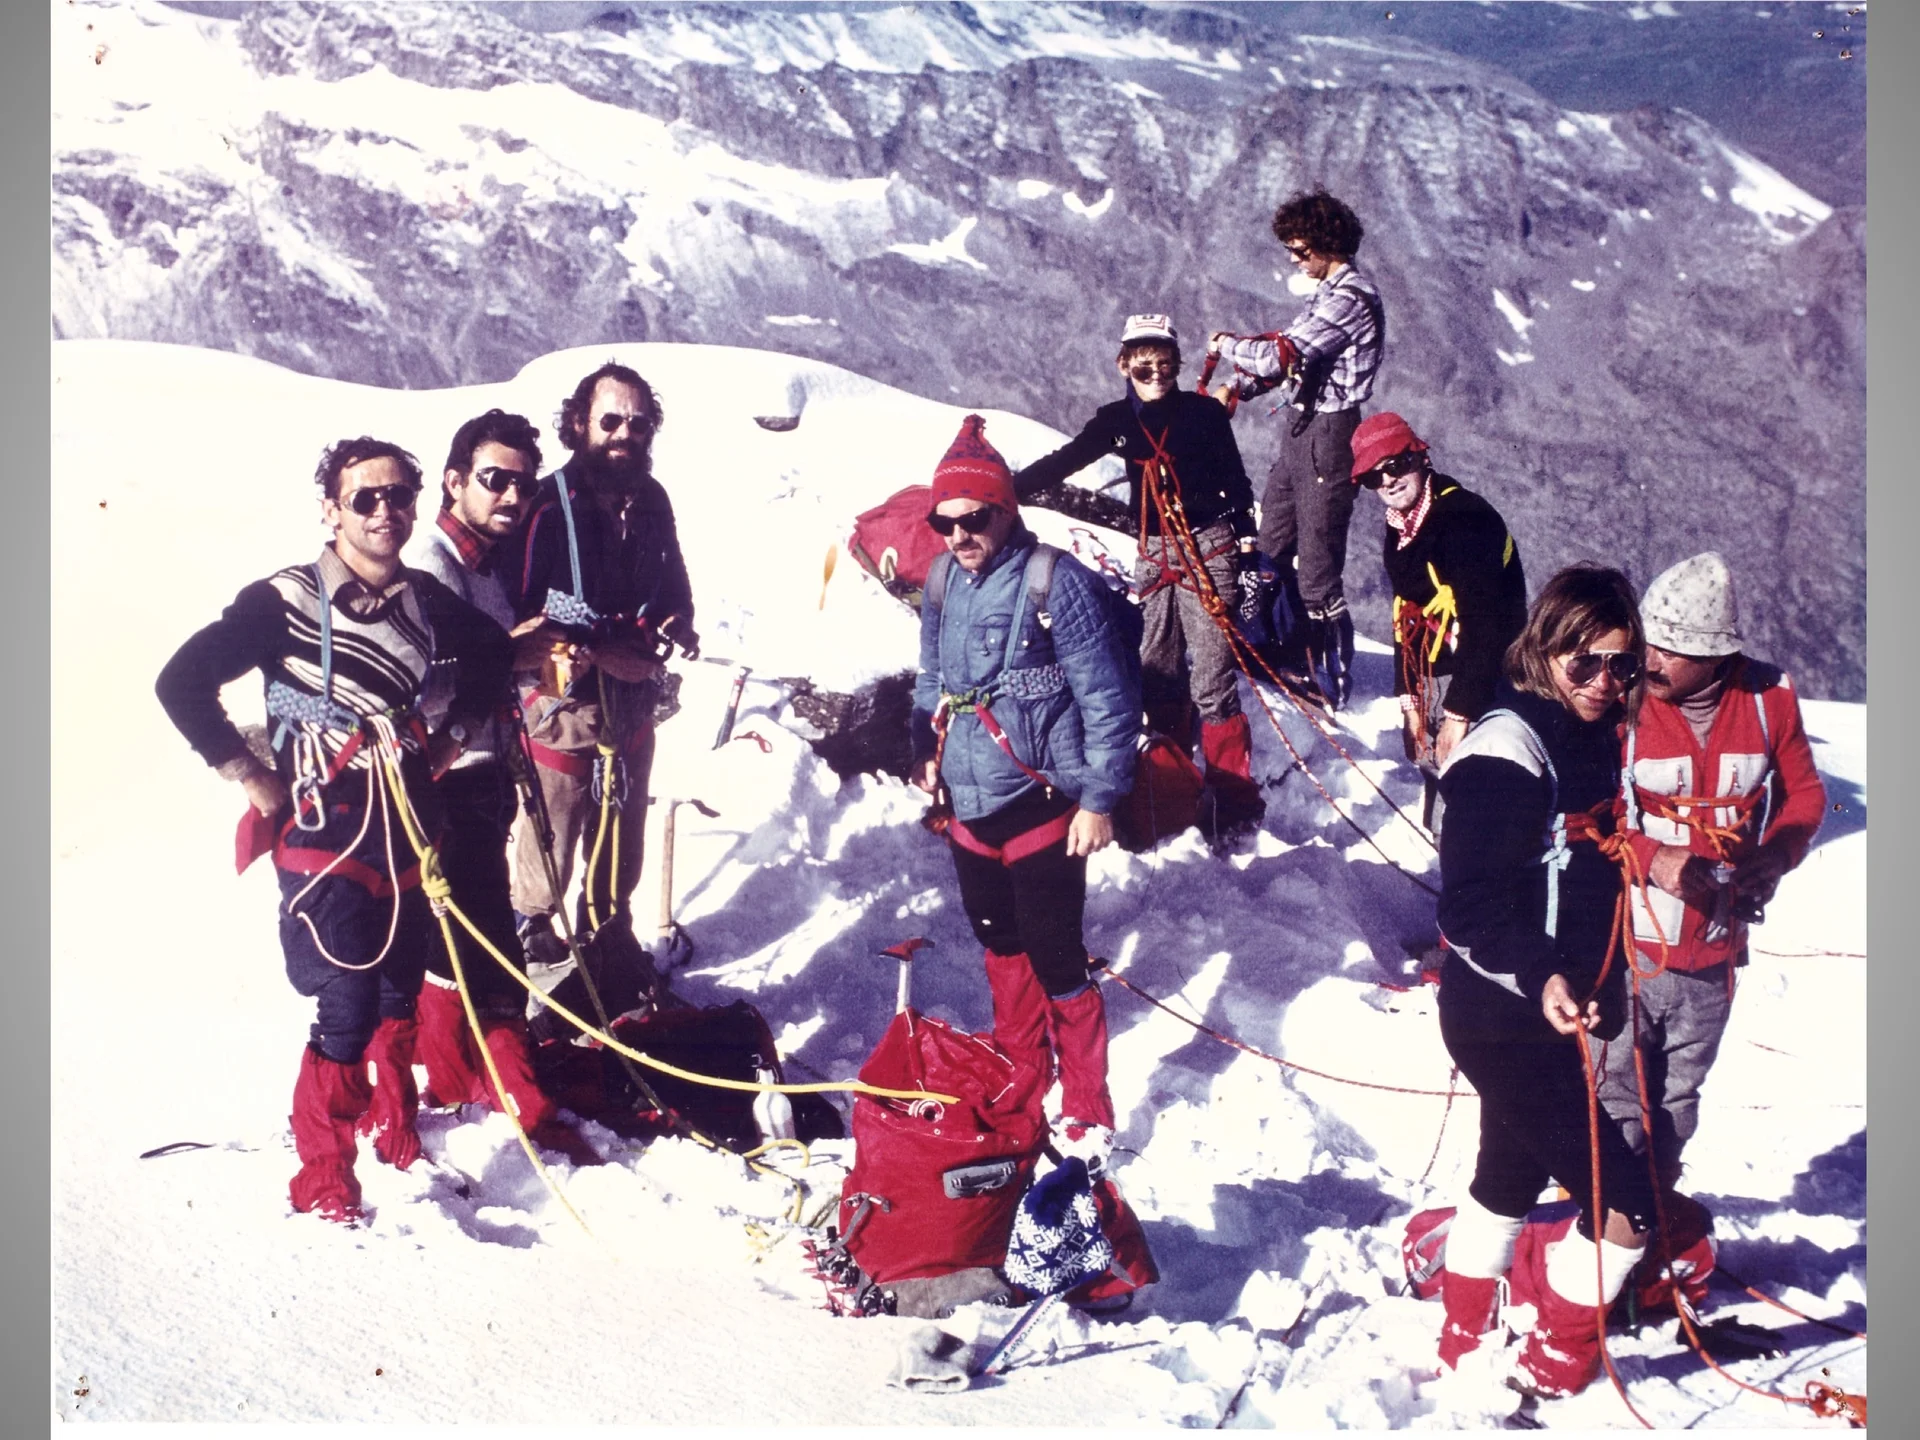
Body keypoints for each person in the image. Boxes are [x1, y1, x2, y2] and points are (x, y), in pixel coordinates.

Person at [155, 438, 512, 1222]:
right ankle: (325, 1172)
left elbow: (492, 653)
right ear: (331, 510)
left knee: (398, 991)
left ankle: (395, 1127)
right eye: (364, 499)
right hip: (323, 830)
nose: (385, 512)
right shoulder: (281, 601)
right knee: (347, 999)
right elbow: (180, 681)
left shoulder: (423, 599)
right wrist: (247, 773)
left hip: (406, 825)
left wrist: (452, 738)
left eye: (398, 496)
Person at [1430, 565, 1657, 1396]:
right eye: (1584, 661)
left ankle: (1464, 1335)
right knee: (1625, 1205)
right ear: (1545, 648)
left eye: (1621, 664)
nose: (1604, 681)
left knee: (1511, 1173)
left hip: (1545, 1012)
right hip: (1501, 1014)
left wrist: (1598, 977)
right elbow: (1469, 907)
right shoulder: (1506, 753)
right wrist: (1544, 975)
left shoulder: (1588, 738)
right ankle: (1554, 1362)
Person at [910, 416, 1140, 1170]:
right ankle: (1023, 1077)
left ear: (1006, 509)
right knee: (1001, 943)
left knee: (1055, 954)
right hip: (970, 804)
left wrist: (1100, 800)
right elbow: (931, 676)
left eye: (975, 518)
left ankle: (1087, 1107)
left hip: (1044, 801)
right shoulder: (942, 581)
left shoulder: (1055, 582)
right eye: (945, 522)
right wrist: (922, 747)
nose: (959, 536)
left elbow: (1107, 698)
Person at [1597, 553, 1825, 1258]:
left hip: (1713, 957)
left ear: (1718, 656)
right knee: (1614, 1097)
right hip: (1629, 948)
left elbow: (1805, 796)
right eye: (1650, 641)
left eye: (1673, 650)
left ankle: (1650, 1234)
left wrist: (1776, 855)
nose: (1651, 659)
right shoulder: (1621, 700)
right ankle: (1605, 1237)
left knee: (1677, 1105)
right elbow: (1591, 817)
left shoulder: (1768, 699)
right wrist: (1656, 858)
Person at [402, 409, 599, 1163]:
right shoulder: (430, 563)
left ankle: (476, 1073)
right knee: (461, 929)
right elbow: (427, 674)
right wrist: (516, 653)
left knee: (476, 928)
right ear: (455, 481)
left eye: (523, 484)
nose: (512, 496)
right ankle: (470, 1077)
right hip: (444, 774)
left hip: (482, 769)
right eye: (494, 480)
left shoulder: (484, 564)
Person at [1012, 313, 1262, 829]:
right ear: (1123, 366)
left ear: (1177, 366)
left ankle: (1233, 803)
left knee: (1211, 680)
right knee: (1157, 671)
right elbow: (1067, 460)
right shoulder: (1115, 422)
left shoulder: (1204, 415)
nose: (1155, 377)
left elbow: (1236, 482)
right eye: (1144, 367)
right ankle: (1174, 785)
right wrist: (1008, 490)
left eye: (1165, 366)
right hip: (1153, 553)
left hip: (1208, 549)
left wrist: (1247, 548)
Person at [500, 362, 697, 1012]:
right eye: (610, 420)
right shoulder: (546, 505)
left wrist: (676, 622)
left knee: (622, 832)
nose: (624, 435)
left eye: (637, 424)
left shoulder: (652, 501)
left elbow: (673, 582)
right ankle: (534, 942)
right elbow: (529, 604)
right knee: (552, 835)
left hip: (631, 706)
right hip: (563, 706)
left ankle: (607, 935)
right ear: (579, 423)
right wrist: (608, 649)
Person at [1208, 190, 1384, 708]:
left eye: (1301, 250)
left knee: (1318, 567)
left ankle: (1327, 675)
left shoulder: (1350, 299)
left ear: (1329, 243)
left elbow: (1278, 356)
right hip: (1302, 429)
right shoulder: (1328, 294)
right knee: (1273, 539)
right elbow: (1293, 362)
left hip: (1329, 434)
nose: (1294, 259)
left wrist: (1225, 347)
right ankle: (1272, 645)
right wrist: (1237, 388)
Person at [1351, 413, 1527, 796]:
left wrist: (1458, 714)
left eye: (1396, 465)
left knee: (1475, 801)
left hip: (1486, 686)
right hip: (1440, 683)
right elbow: (1405, 615)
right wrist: (1410, 704)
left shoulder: (1465, 519)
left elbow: (1485, 622)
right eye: (1373, 477)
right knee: (1445, 798)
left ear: (1420, 457)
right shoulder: (1401, 524)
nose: (1388, 481)